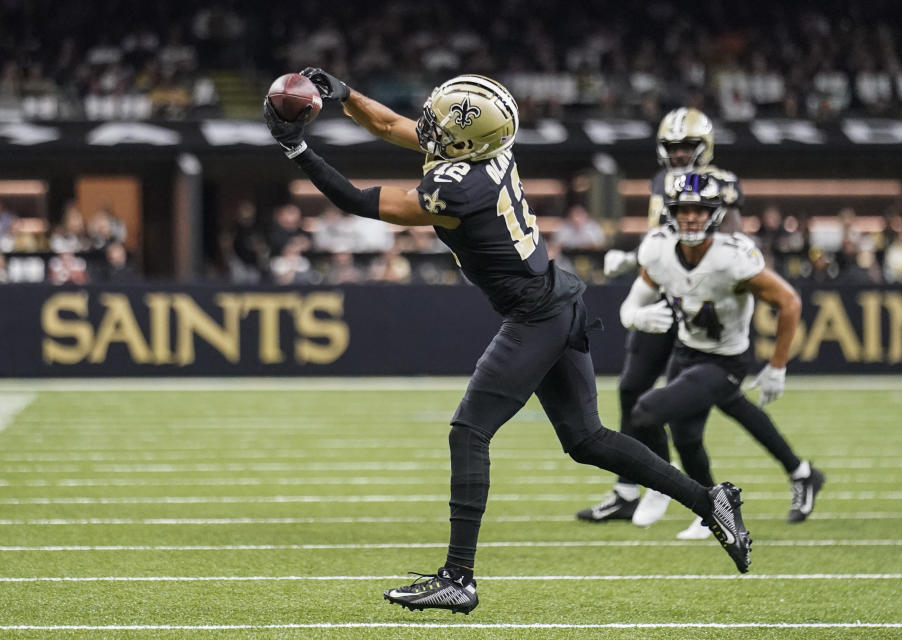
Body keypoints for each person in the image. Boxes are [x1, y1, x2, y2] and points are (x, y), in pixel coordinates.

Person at [263, 70, 752, 615]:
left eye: (444, 122)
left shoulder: (458, 186)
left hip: (535, 314)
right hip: (555, 297)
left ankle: (459, 577)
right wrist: (345, 94)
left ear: (467, 141)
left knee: (468, 431)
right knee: (586, 439)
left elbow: (361, 201)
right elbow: (392, 124)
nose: (431, 124)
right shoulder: (486, 152)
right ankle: (711, 503)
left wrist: (296, 148)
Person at [578, 108, 821, 536]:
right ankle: (645, 486)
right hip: (676, 303)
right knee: (674, 399)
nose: (678, 154)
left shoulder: (721, 188)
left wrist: (777, 362)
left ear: (704, 147)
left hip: (704, 305)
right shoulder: (661, 187)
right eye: (671, 147)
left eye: (686, 146)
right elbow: (668, 239)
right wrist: (634, 261)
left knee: (667, 400)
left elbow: (714, 240)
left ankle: (650, 482)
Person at [619, 172, 825, 538]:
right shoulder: (659, 249)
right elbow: (631, 303)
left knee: (646, 411)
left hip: (724, 360)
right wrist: (636, 315)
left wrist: (777, 366)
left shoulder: (732, 257)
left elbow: (789, 302)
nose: (691, 217)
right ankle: (776, 483)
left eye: (699, 209)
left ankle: (660, 482)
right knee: (689, 437)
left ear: (714, 213)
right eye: (683, 209)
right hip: (686, 352)